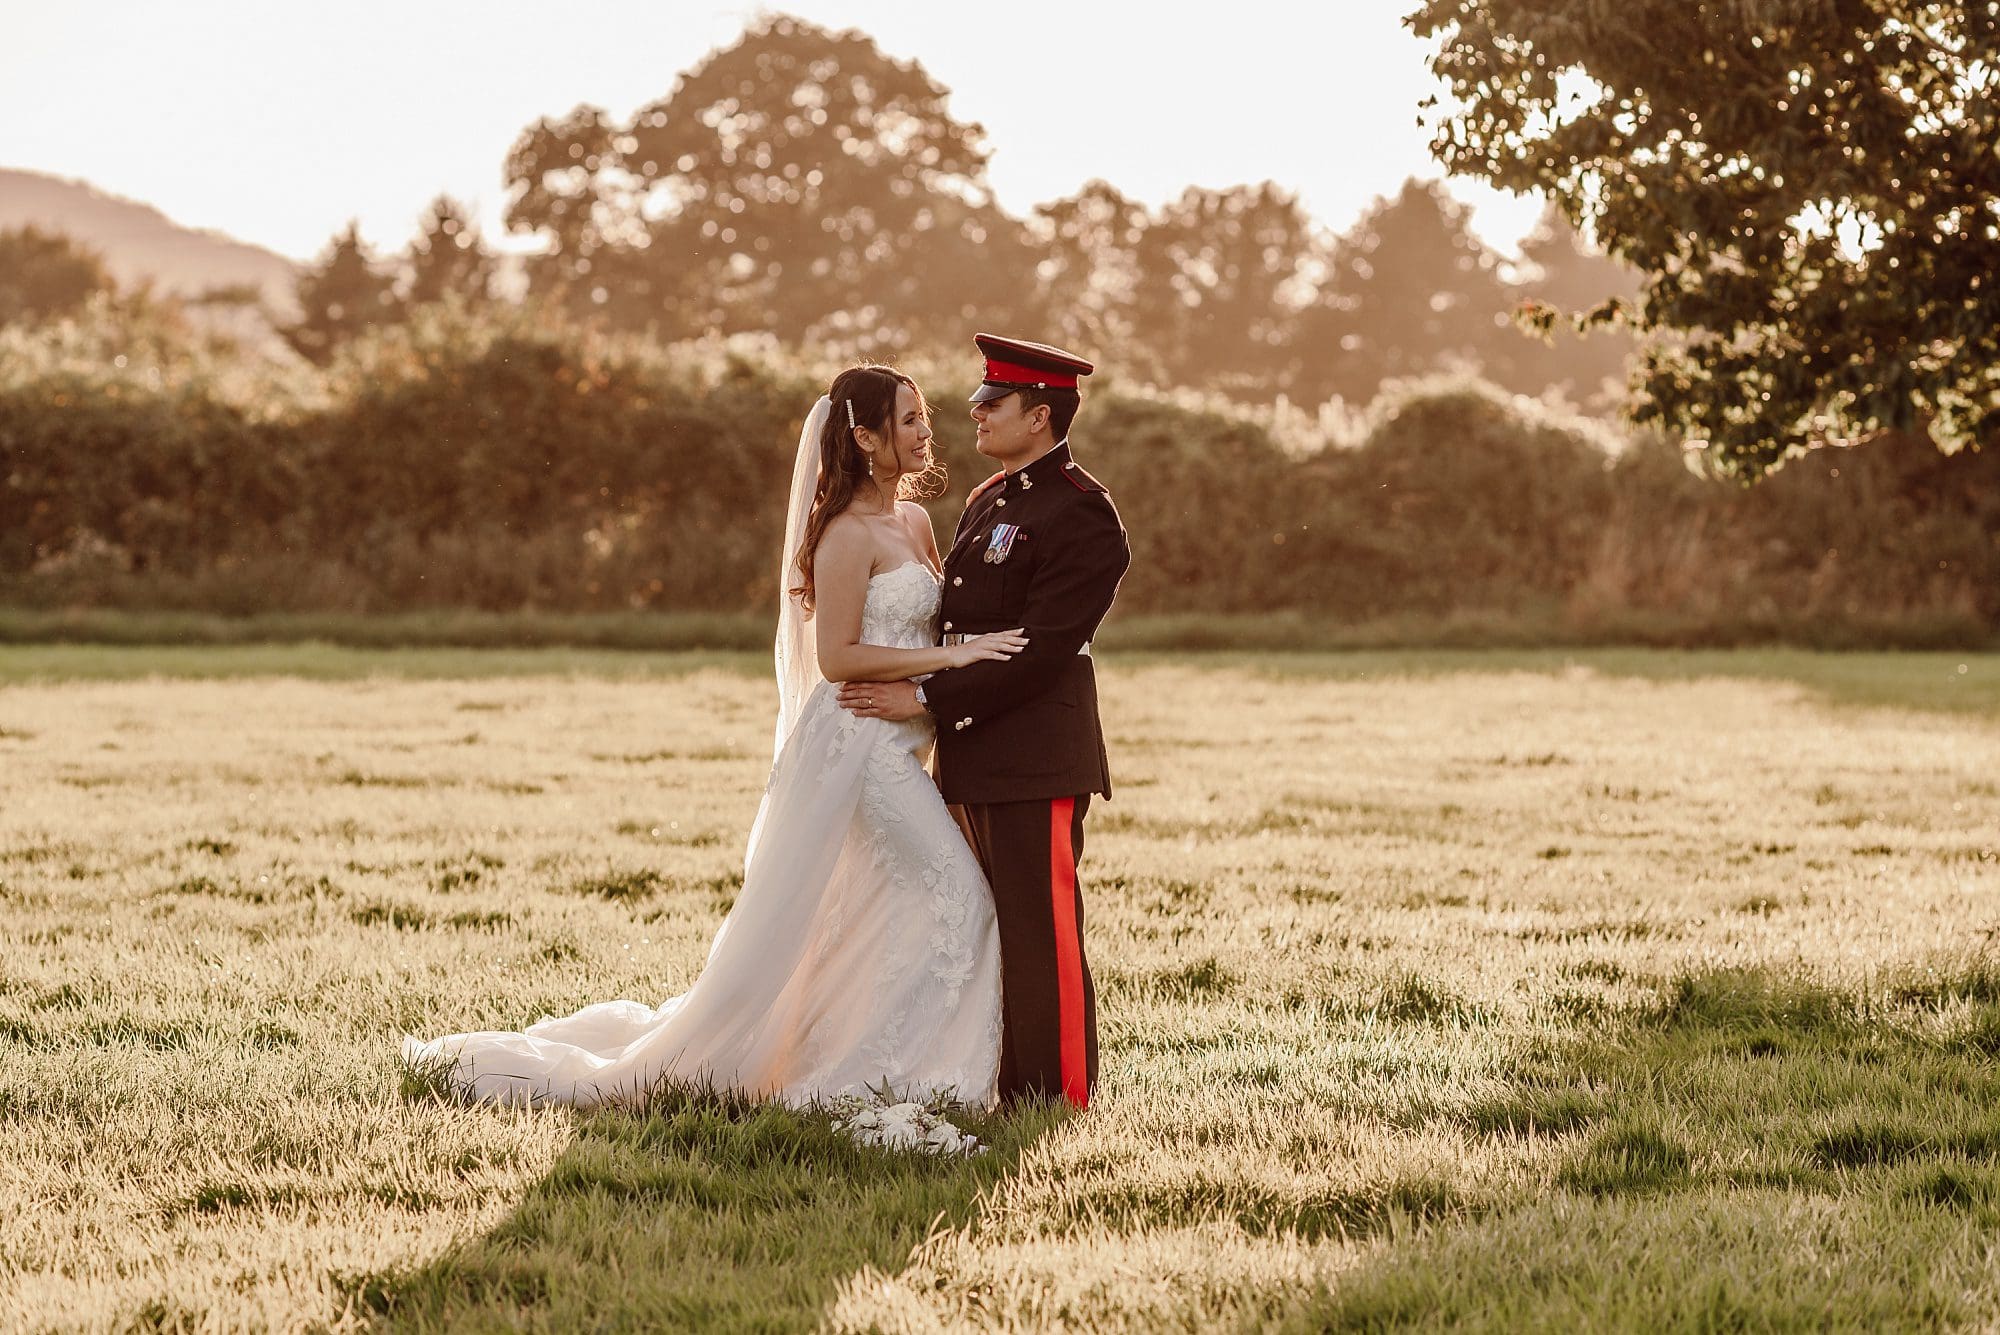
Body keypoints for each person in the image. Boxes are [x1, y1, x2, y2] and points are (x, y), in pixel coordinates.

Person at [403, 365, 1025, 1110]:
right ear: (864, 438)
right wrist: (949, 660)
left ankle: (858, 1048)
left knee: (876, 912)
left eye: (924, 416)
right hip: (858, 750)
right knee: (960, 893)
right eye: (910, 420)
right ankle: (909, 1075)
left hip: (900, 740)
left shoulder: (917, 523)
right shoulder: (844, 536)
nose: (928, 431)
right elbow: (837, 658)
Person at [840, 333, 1130, 1109]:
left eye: (993, 405)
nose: (977, 416)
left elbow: (1038, 653)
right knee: (990, 928)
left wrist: (927, 701)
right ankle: (1002, 1078)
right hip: (970, 749)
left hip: (1036, 752)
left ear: (1039, 416)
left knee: (1043, 933)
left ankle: (1059, 1093)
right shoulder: (986, 499)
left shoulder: (1082, 515)